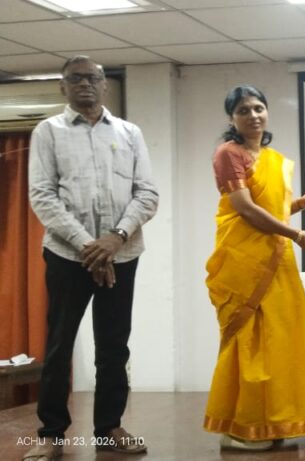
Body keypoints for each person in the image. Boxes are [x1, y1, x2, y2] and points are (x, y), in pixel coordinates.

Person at [24, 55, 158, 461]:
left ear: (104, 85)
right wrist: (89, 245)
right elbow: (42, 195)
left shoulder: (129, 133)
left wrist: (115, 239)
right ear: (63, 86)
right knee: (60, 342)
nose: (85, 84)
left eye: (92, 78)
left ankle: (109, 428)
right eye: (76, 78)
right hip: (68, 254)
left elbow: (147, 193)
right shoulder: (48, 131)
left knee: (114, 344)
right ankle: (51, 433)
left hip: (123, 252)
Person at [203, 85, 305, 451]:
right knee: (251, 341)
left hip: (276, 259)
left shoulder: (273, 158)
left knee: (282, 341)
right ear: (231, 118)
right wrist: (297, 235)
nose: (253, 116)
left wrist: (302, 203)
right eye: (243, 110)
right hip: (245, 261)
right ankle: (242, 428)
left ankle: (274, 423)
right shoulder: (229, 153)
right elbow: (245, 209)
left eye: (258, 108)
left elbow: (272, 208)